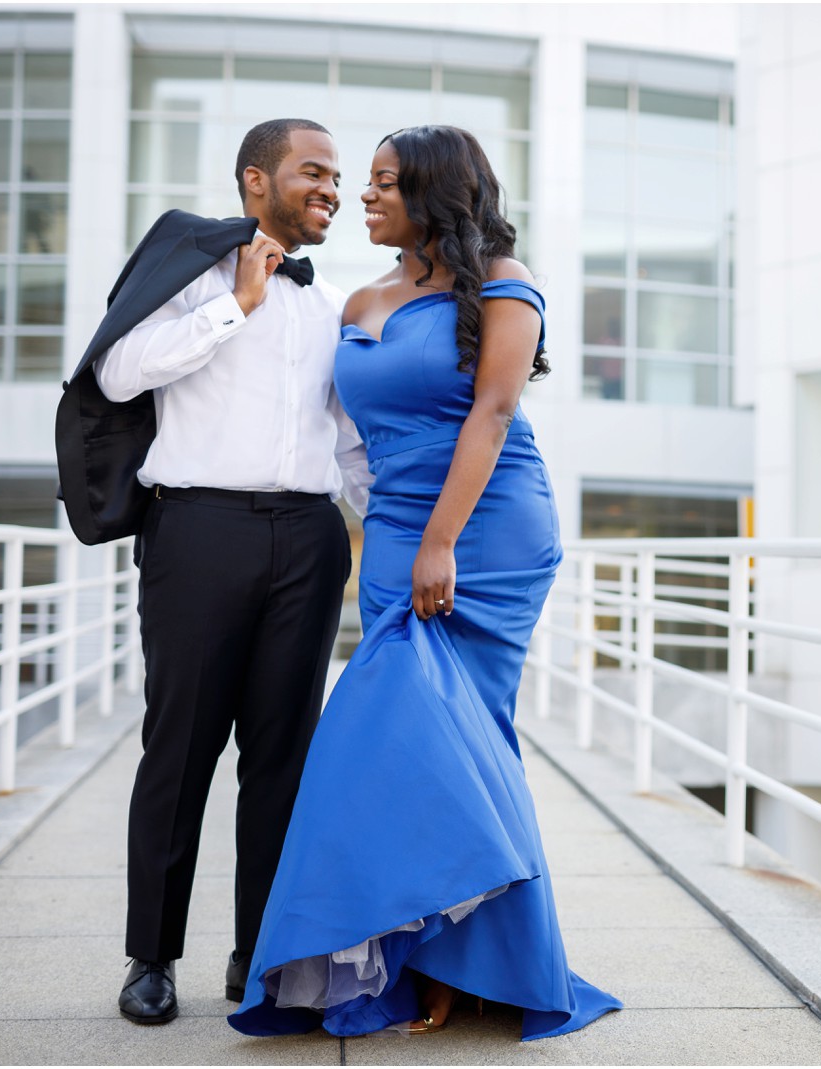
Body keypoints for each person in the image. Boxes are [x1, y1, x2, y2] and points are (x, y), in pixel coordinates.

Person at [228, 126, 621, 1041]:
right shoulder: (361, 297)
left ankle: (471, 962)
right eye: (364, 181)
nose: (364, 196)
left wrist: (440, 542)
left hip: (485, 527)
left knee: (455, 729)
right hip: (395, 527)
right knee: (425, 743)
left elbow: (495, 410)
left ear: (436, 194)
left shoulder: (505, 283)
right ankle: (436, 957)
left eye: (384, 182)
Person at [92, 119, 368, 1025]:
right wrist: (232, 307)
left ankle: (263, 956)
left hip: (309, 539)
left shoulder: (332, 308)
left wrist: (396, 533)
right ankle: (151, 957)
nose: (332, 189)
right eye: (313, 171)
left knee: (283, 758)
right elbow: (118, 372)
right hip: (198, 532)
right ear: (257, 180)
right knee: (179, 749)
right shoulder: (190, 277)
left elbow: (349, 444)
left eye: (338, 177)